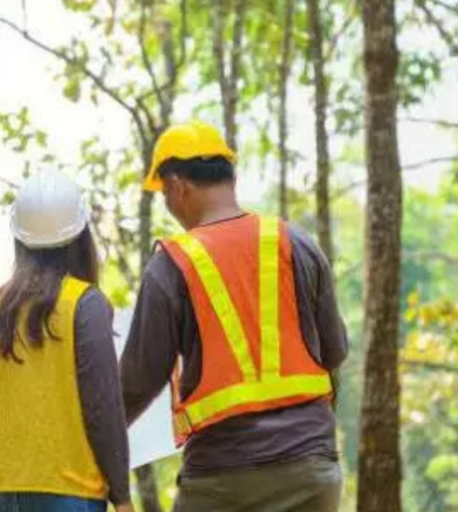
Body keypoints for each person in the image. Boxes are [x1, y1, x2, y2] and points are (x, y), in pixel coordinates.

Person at [120, 121, 349, 512]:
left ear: (178, 186)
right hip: (312, 472)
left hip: (221, 478)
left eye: (165, 196)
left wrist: (92, 442)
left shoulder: (172, 266)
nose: (170, 206)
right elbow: (334, 351)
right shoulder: (295, 243)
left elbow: (136, 384)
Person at [0, 168, 134, 512]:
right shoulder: (85, 304)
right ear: (81, 236)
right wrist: (122, 496)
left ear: (19, 239)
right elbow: (102, 408)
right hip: (69, 495)